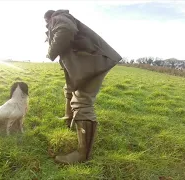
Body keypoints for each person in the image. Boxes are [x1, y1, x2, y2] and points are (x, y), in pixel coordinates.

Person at [44, 9, 122, 164]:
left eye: (46, 23)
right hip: (88, 62)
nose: (47, 25)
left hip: (93, 62)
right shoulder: (62, 18)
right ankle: (69, 120)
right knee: (69, 89)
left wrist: (51, 52)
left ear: (48, 18)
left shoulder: (59, 17)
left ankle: (82, 155)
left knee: (82, 101)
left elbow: (66, 30)